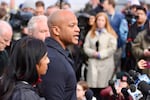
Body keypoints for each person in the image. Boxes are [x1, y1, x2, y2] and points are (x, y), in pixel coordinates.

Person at [40, 9, 80, 100]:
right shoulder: (53, 60)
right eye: (72, 25)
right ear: (56, 30)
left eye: (77, 25)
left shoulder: (59, 55)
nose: (77, 29)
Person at [83, 12, 117, 100]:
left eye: (102, 20)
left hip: (105, 63)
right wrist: (92, 53)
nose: (100, 22)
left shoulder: (110, 34)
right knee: (93, 87)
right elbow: (85, 47)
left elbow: (112, 48)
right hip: (93, 64)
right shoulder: (91, 33)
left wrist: (101, 54)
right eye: (98, 20)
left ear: (106, 22)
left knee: (104, 87)